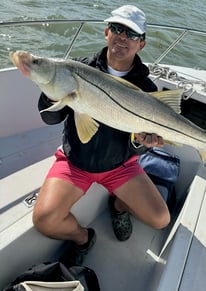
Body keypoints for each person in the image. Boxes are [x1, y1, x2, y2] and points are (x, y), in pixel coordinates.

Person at [32, 5, 170, 267]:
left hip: (120, 166)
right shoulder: (76, 69)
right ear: (106, 32)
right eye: (117, 29)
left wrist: (143, 143)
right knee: (44, 220)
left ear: (141, 44)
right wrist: (52, 92)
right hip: (75, 162)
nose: (122, 37)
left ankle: (118, 205)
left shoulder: (147, 89)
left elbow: (138, 145)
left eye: (131, 34)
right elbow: (50, 118)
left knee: (160, 219)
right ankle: (83, 238)